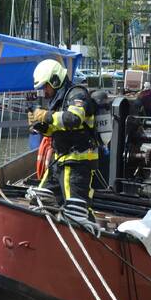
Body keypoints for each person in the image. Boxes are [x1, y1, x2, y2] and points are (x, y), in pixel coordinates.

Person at [28, 59, 99, 219]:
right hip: (59, 161)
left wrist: (46, 115)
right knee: (40, 200)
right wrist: (39, 125)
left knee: (77, 211)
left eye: (45, 86)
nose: (44, 92)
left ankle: (90, 239)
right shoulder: (58, 101)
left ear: (55, 80)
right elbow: (56, 130)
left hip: (78, 163)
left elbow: (74, 119)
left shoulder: (77, 94)